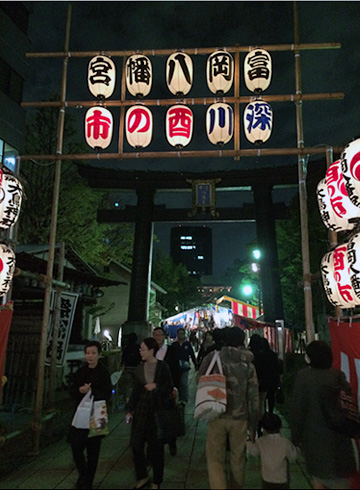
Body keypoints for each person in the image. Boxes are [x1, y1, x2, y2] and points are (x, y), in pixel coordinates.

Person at [197, 327, 259, 490]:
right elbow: (253, 396)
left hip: (217, 414)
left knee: (215, 457)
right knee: (238, 457)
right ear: (242, 340)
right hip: (240, 417)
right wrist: (253, 424)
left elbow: (199, 379)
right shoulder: (248, 364)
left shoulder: (213, 357)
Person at [291, 340, 357, 490]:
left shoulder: (304, 377)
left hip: (316, 439)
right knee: (341, 480)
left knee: (319, 478)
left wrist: (296, 438)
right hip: (341, 437)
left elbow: (298, 410)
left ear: (310, 358)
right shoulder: (338, 375)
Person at [126, 337, 173, 490]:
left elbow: (169, 388)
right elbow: (136, 390)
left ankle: (157, 480)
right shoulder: (140, 368)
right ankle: (142, 476)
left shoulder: (163, 367)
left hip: (156, 411)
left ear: (152, 350)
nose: (140, 352)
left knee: (156, 448)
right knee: (136, 444)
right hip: (141, 409)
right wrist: (130, 409)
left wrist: (156, 386)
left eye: (143, 349)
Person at [68, 341, 112, 490]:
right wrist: (80, 390)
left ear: (99, 354)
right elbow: (72, 390)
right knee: (76, 445)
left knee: (94, 449)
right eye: (88, 353)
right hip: (81, 413)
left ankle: (88, 481)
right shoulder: (81, 371)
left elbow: (107, 393)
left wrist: (92, 392)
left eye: (93, 353)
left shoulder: (103, 372)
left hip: (98, 414)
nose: (90, 356)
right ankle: (84, 474)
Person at [246, 412, 297, 489]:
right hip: (282, 480)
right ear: (280, 427)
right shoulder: (285, 442)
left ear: (265, 429)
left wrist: (249, 440)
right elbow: (293, 457)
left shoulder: (261, 441)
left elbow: (253, 452)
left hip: (267, 479)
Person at [153, 326, 181, 456]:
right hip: (153, 390)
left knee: (169, 417)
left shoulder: (171, 350)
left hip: (167, 388)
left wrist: (175, 387)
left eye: (160, 335)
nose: (157, 337)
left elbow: (176, 370)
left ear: (164, 337)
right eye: (155, 335)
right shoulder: (150, 352)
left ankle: (171, 442)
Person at [172, 327, 197, 405]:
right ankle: (178, 397)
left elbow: (192, 354)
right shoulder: (174, 345)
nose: (181, 335)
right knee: (177, 382)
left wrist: (195, 364)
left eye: (182, 333)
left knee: (184, 382)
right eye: (179, 333)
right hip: (176, 367)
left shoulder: (187, 344)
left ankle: (184, 399)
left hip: (185, 366)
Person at [262, 338, 283, 413]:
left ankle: (264, 413)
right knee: (271, 397)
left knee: (262, 398)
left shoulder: (259, 356)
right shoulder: (272, 355)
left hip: (262, 380)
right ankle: (271, 412)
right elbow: (278, 368)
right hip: (272, 379)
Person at [120, 332, 142, 403]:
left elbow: (123, 358)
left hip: (128, 368)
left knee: (128, 386)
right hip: (137, 368)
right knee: (136, 385)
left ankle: (128, 399)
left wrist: (121, 366)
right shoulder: (138, 347)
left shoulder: (126, 347)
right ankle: (136, 399)